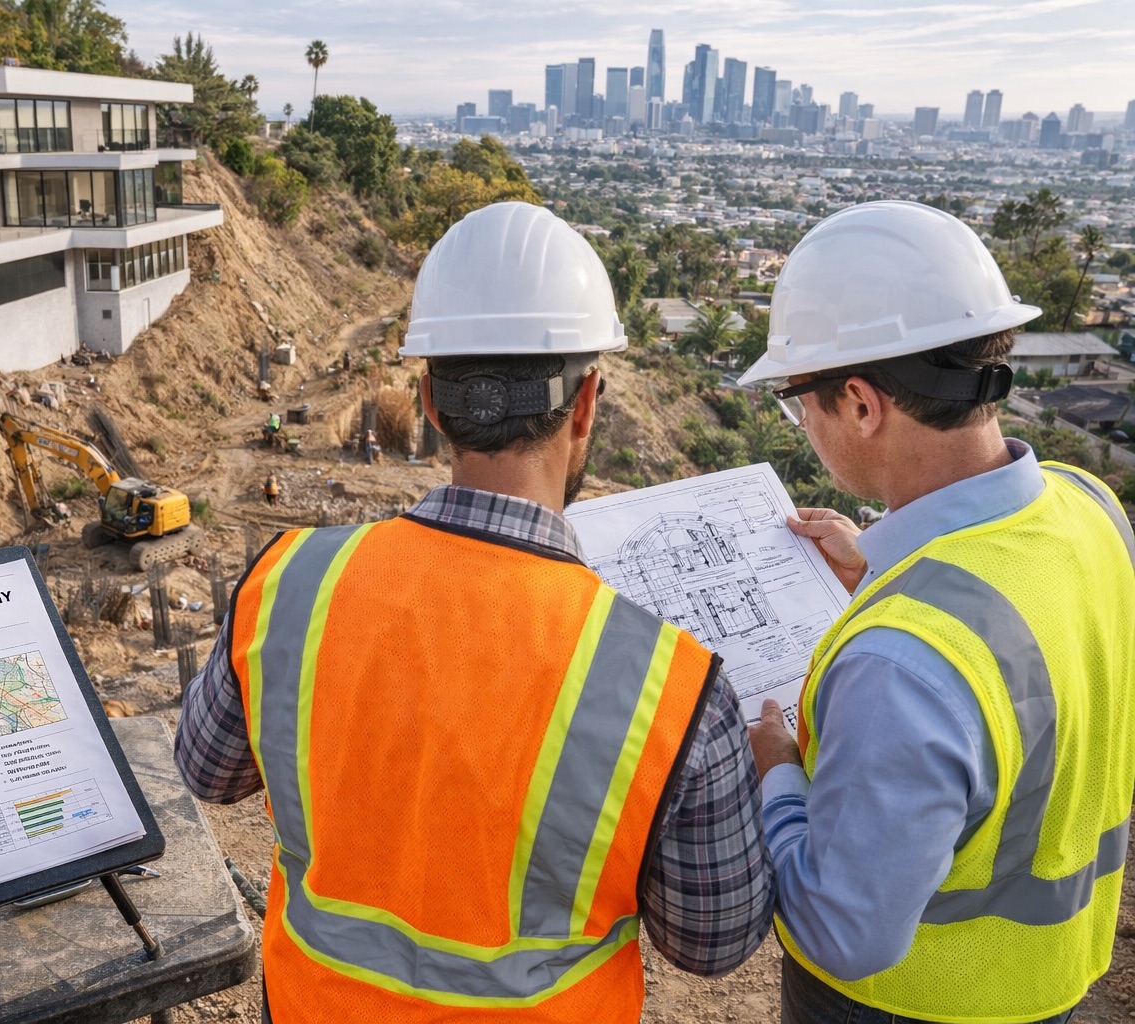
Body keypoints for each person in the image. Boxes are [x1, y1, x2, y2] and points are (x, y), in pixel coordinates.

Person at [176, 202, 772, 1023]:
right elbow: (715, 940)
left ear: (428, 400)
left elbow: (207, 772)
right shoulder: (669, 685)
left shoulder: (288, 581)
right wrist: (772, 773)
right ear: (588, 402)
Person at [740, 201, 1135, 1024]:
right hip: (1054, 979)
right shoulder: (1092, 508)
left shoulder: (900, 666)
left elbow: (841, 930)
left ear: (859, 402)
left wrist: (775, 767)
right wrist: (885, 564)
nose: (802, 424)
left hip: (909, 1002)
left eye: (797, 400)